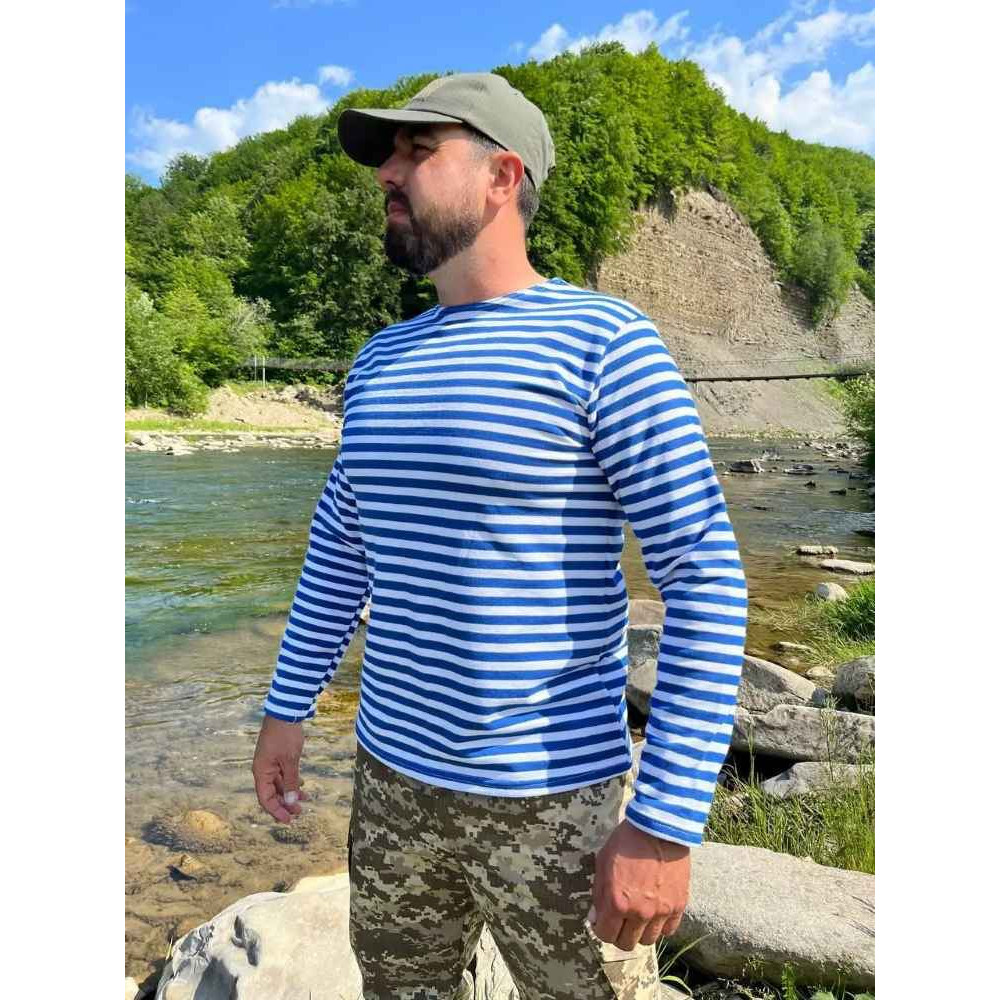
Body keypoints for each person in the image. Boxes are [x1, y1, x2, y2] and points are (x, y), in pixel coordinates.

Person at [252, 72, 748, 1000]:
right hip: (392, 786)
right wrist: (286, 712)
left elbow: (705, 576)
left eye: (417, 150)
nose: (387, 174)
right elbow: (341, 554)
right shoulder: (379, 360)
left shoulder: (606, 344)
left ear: (501, 176)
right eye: (387, 157)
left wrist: (664, 822)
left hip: (555, 804)